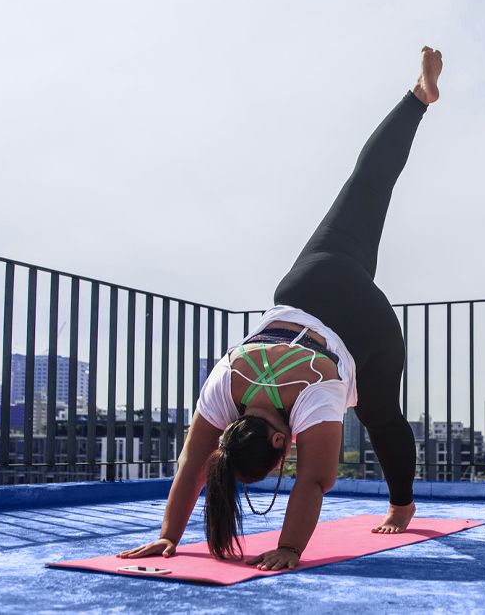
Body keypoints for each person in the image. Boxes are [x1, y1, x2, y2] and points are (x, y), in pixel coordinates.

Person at [118, 46, 443, 572]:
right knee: (366, 184)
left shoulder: (315, 395)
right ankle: (417, 97)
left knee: (381, 418)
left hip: (366, 327)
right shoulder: (227, 382)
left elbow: (315, 480)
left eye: (280, 457)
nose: (290, 457)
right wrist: (167, 533)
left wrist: (290, 548)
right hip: (310, 282)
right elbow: (193, 463)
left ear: (278, 439)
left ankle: (403, 504)